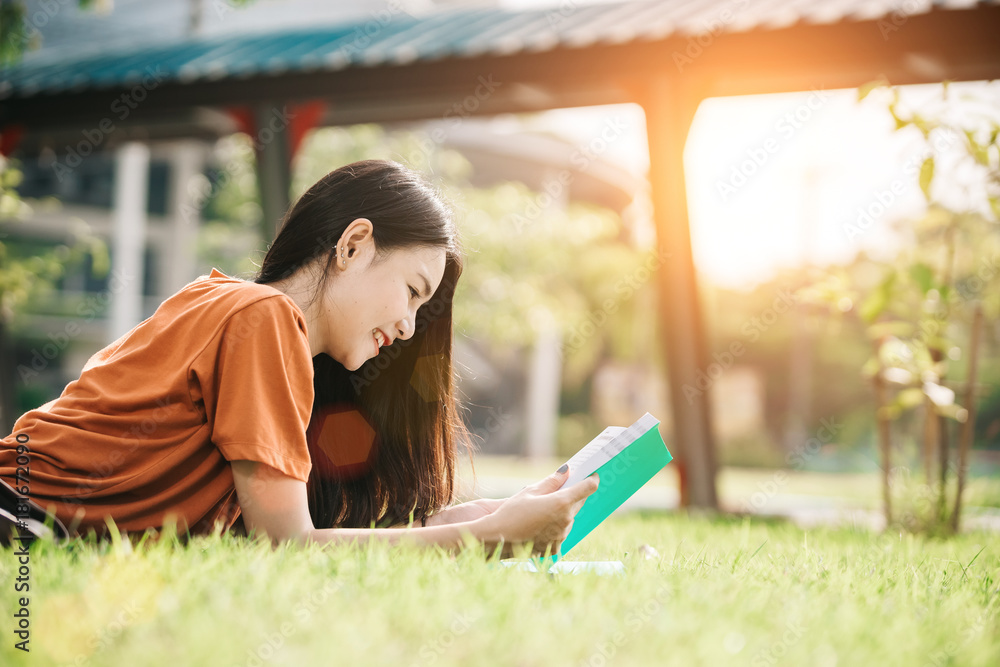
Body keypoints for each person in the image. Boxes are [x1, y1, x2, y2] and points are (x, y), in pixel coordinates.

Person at [0, 159, 599, 558]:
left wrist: (447, 524)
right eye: (413, 291)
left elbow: (259, 541)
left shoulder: (238, 310)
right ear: (354, 244)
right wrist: (485, 537)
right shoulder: (263, 319)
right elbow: (289, 545)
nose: (410, 325)